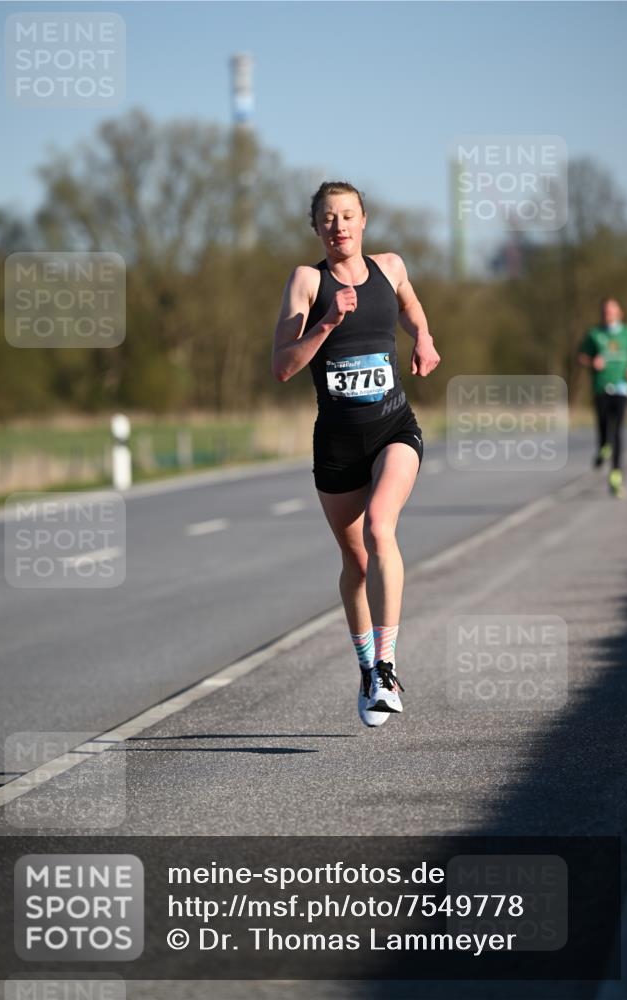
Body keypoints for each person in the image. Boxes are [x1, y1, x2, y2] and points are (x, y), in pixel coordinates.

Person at [271, 181, 440, 727]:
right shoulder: (306, 281)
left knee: (380, 530)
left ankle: (387, 666)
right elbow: (282, 367)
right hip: (338, 444)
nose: (338, 225)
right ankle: (367, 670)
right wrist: (326, 322)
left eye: (347, 215)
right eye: (327, 218)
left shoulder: (390, 267)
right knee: (357, 563)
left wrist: (424, 339)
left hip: (394, 427)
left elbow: (412, 307)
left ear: (363, 220)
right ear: (316, 227)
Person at [577, 298, 627, 499]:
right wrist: (592, 361)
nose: (608, 314)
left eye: (611, 311)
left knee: (618, 429)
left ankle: (616, 475)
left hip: (622, 387)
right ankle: (603, 448)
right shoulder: (595, 334)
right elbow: (581, 356)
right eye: (605, 311)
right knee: (604, 429)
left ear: (619, 313)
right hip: (601, 386)